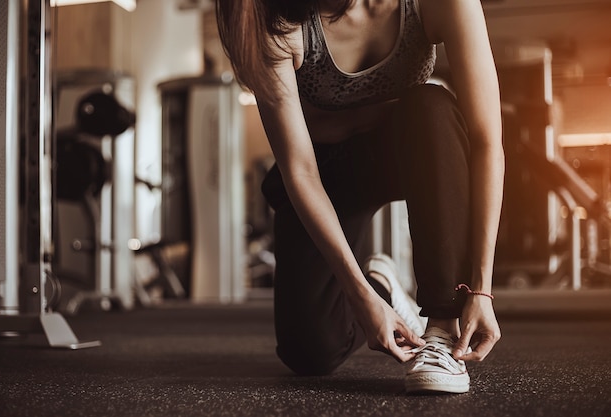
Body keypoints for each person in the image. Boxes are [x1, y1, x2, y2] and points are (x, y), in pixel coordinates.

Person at [216, 0, 503, 394]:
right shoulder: (277, 22)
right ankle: (382, 288)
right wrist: (362, 294)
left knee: (433, 108)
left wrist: (481, 286)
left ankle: (441, 328)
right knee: (311, 354)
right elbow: (300, 169)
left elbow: (486, 141)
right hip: (324, 175)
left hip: (410, 152)